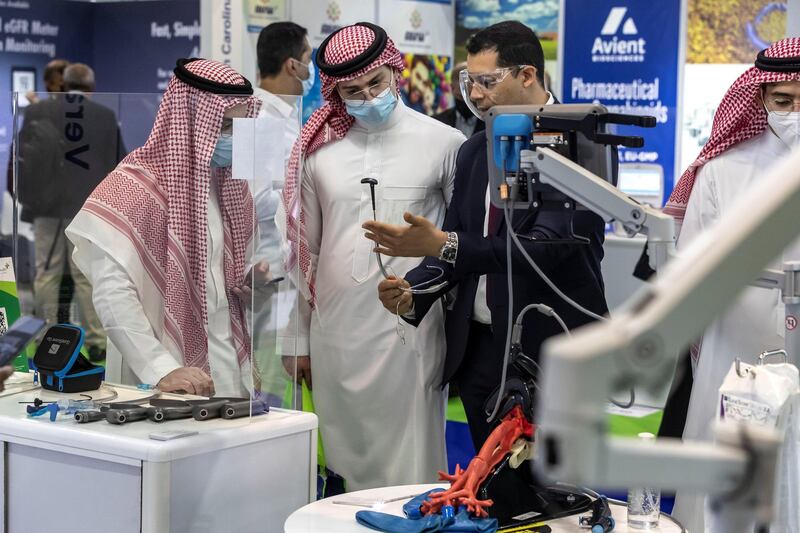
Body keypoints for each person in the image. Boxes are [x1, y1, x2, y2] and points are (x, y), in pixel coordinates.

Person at [365, 21, 608, 450]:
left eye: (486, 81)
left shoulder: (580, 142)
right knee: (490, 491)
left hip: (553, 345)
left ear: (527, 75)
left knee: (552, 494)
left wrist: (444, 243)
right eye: (469, 82)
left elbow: (545, 250)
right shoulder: (475, 148)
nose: (475, 95)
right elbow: (461, 237)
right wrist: (414, 290)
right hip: (480, 352)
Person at [279, 22, 465, 491]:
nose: (367, 96)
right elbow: (306, 253)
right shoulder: (320, 151)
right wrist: (296, 337)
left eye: (375, 83)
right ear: (335, 92)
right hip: (336, 332)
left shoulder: (444, 142)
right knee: (344, 455)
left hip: (412, 328)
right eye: (352, 91)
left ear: (394, 72)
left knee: (413, 459)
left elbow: (460, 243)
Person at [65, 58, 266, 397]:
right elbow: (113, 293)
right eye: (226, 126)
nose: (234, 139)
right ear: (189, 122)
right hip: (165, 377)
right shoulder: (133, 187)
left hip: (227, 367)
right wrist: (162, 368)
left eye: (240, 127)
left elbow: (231, 272)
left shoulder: (230, 183)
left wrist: (251, 282)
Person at [663, 37, 800, 533]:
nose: (793, 112)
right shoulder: (723, 169)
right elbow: (691, 265)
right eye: (782, 101)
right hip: (733, 350)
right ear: (759, 99)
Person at [17, 63, 126, 362]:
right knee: (86, 273)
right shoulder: (104, 116)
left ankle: (45, 336)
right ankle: (97, 340)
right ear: (91, 87)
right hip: (89, 210)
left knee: (46, 273)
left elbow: (22, 157)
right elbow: (119, 164)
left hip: (46, 208)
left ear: (63, 85)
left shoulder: (38, 112)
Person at [432, 61, 485, 138]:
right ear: (452, 88)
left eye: (470, 97)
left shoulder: (490, 124)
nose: (466, 102)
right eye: (460, 96)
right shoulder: (437, 122)